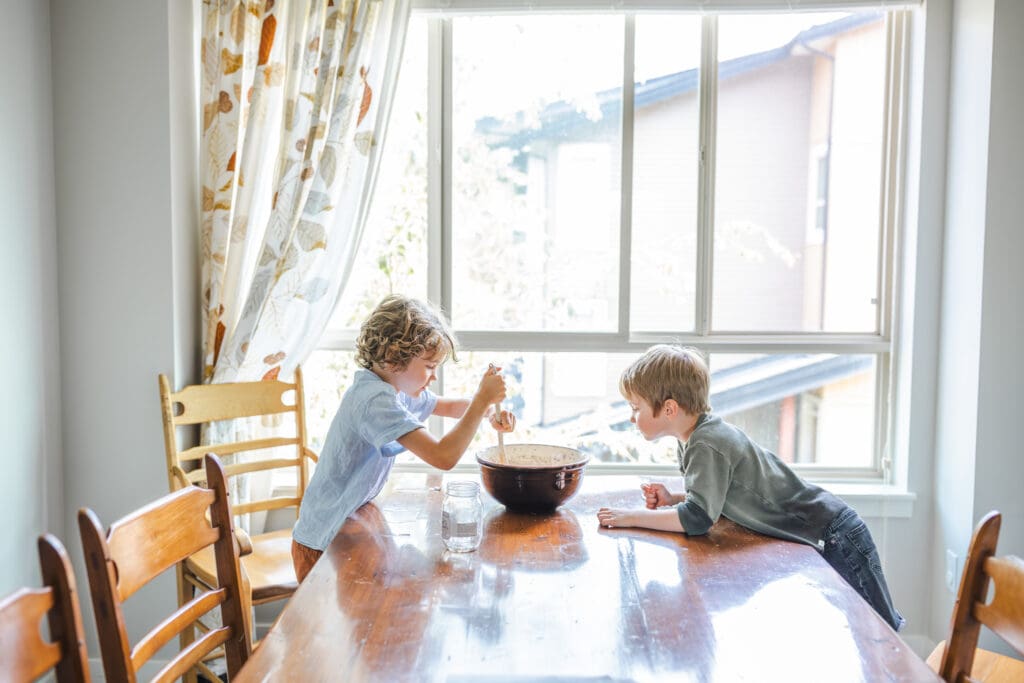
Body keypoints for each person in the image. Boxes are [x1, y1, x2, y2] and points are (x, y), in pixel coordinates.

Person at [596, 344, 905, 631]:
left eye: (635, 408)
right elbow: (710, 500)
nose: (632, 418)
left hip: (836, 534)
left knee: (880, 631)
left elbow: (697, 519)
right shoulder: (693, 437)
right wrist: (672, 499)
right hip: (828, 530)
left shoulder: (707, 443)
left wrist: (629, 517)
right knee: (863, 629)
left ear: (669, 409)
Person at [292, 294, 515, 582]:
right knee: (344, 625)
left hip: (346, 526)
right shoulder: (374, 400)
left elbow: (445, 406)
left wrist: (485, 410)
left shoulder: (394, 389)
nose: (433, 377)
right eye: (430, 366)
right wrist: (482, 399)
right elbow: (443, 456)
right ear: (393, 356)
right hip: (321, 543)